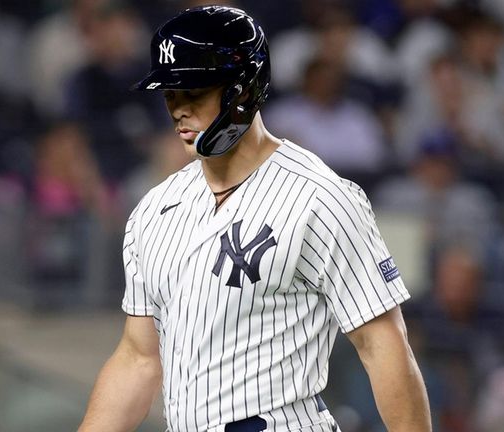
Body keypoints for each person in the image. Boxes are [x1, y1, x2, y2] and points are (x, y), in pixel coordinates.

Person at [78, 6, 431, 432]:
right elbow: (138, 358)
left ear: (243, 90)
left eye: (194, 92)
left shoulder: (320, 197)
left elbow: (383, 346)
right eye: (170, 93)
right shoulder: (154, 209)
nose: (177, 109)